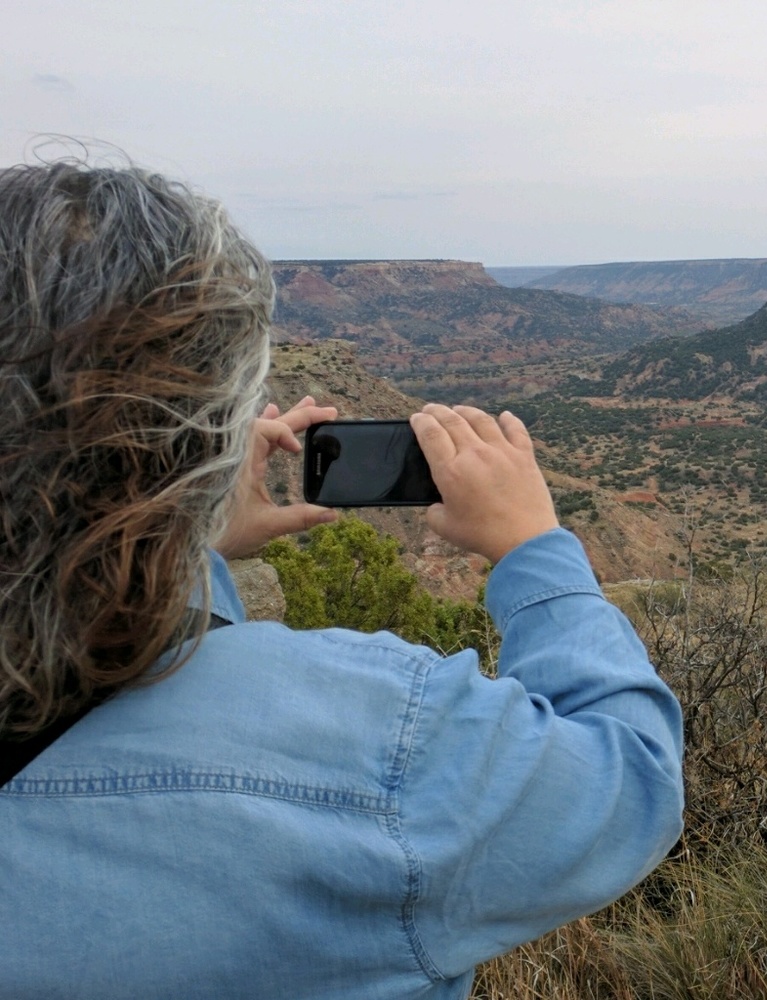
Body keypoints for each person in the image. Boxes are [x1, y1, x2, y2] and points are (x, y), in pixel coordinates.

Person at [0, 155, 684, 1000]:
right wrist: (533, 546)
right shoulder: (377, 742)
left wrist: (190, 530)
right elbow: (630, 781)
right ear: (210, 426)